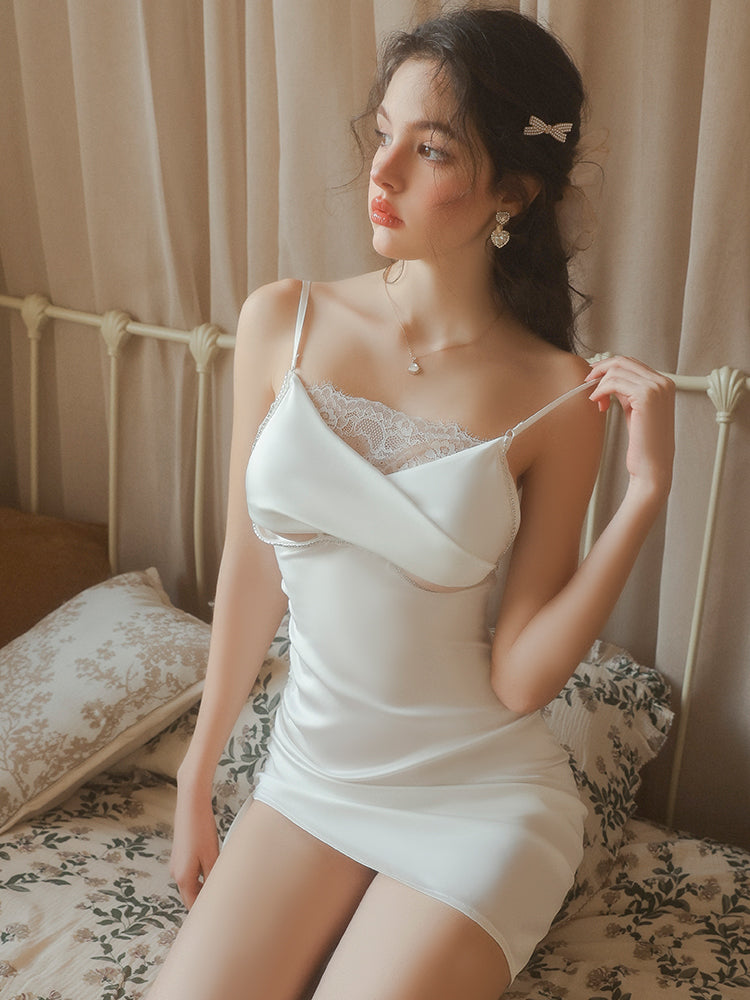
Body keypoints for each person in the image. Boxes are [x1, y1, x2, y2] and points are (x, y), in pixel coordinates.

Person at [148, 8, 674, 1000]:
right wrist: (197, 773)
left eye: (428, 149)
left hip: (476, 797)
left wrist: (643, 498)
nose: (380, 174)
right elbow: (249, 563)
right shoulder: (282, 318)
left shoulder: (559, 396)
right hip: (311, 780)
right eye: (383, 133)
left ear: (513, 189)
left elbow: (520, 678)